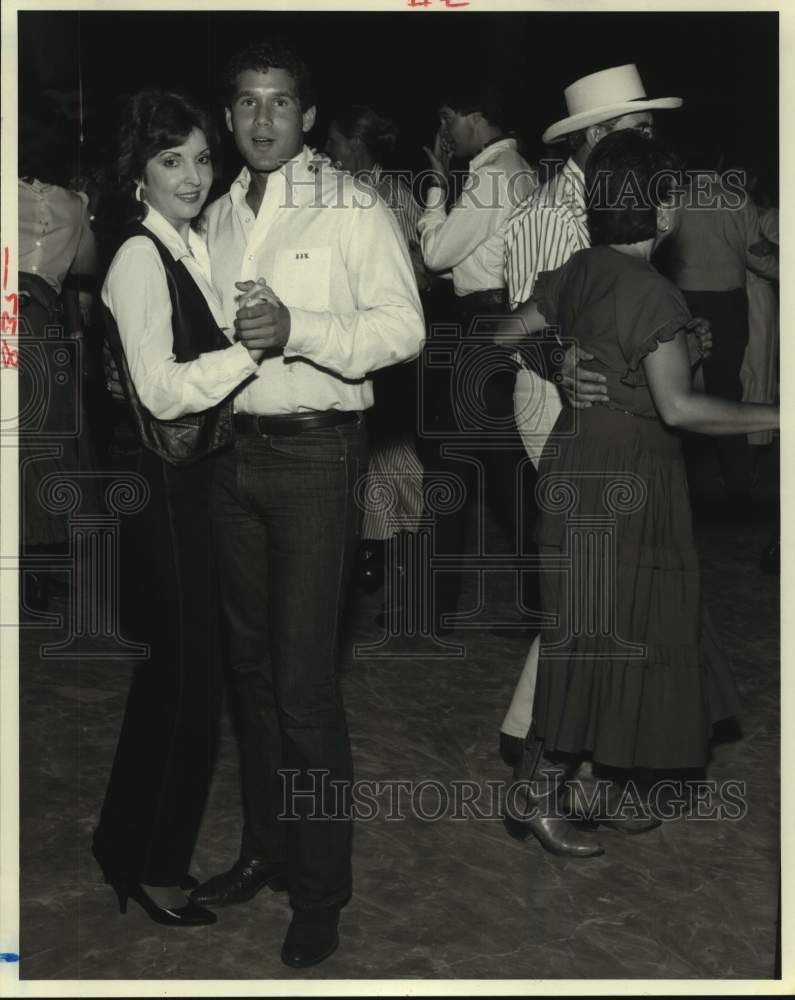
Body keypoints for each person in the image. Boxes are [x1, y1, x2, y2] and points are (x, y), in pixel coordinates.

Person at [188, 41, 425, 968]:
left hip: (318, 457)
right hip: (229, 459)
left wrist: (301, 330)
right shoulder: (211, 216)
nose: (260, 120)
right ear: (228, 114)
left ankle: (321, 888)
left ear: (308, 116)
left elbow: (403, 328)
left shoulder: (352, 208)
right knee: (248, 678)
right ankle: (266, 848)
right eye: (244, 103)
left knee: (303, 690)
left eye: (278, 103)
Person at [495, 130, 776, 857]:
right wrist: (779, 412)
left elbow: (505, 332)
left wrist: (557, 357)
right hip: (628, 475)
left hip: (579, 460)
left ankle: (599, 783)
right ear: (659, 212)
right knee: (601, 632)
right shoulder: (652, 290)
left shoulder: (579, 267)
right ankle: (536, 791)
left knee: (624, 625)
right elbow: (679, 409)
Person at [92, 90, 264, 926]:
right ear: (139, 173)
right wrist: (246, 354)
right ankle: (154, 866)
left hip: (187, 481)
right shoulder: (137, 256)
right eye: (171, 160)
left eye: (201, 157)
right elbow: (160, 393)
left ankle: (122, 847)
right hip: (163, 483)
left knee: (172, 673)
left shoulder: (182, 243)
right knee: (193, 678)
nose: (192, 175)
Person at [499, 64, 685, 764]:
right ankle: (538, 743)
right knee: (592, 585)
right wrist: (565, 364)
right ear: (599, 135)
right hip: (559, 406)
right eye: (637, 129)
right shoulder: (548, 215)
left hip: (611, 406)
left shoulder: (619, 199)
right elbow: (528, 324)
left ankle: (567, 746)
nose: (647, 140)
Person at [417, 84, 537, 634]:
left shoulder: (490, 176)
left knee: (452, 467)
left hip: (481, 327)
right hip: (502, 321)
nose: (445, 131)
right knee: (505, 471)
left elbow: (438, 255)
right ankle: (540, 604)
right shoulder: (518, 166)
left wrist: (437, 191)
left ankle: (432, 608)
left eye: (449, 116)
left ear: (476, 113)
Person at [325, 106, 427, 616]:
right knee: (374, 459)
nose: (330, 151)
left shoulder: (390, 198)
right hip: (354, 346)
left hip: (387, 350)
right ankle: (371, 562)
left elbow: (421, 275)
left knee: (394, 461)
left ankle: (397, 573)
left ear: (358, 147)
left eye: (337, 142)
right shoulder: (342, 194)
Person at [18, 97, 99, 612]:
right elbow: (88, 266)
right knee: (43, 447)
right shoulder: (75, 205)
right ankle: (35, 571)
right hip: (44, 327)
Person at [662, 151, 779, 506]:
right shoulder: (736, 199)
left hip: (683, 303)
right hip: (728, 305)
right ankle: (738, 481)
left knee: (678, 389)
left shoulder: (676, 199)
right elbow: (756, 256)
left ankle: (680, 480)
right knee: (727, 388)